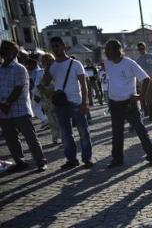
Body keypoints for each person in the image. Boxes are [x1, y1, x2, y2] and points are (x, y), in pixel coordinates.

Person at [40, 36, 93, 169]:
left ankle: (87, 159)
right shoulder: (52, 66)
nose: (55, 49)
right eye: (53, 47)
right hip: (60, 103)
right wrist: (47, 67)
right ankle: (71, 159)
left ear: (64, 46)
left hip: (76, 102)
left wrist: (85, 102)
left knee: (83, 132)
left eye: (57, 46)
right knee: (65, 134)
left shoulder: (75, 64)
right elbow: (45, 82)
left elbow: (84, 84)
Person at [103, 40, 152, 168]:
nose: (106, 52)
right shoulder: (107, 63)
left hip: (129, 103)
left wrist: (141, 96)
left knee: (140, 130)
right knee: (117, 133)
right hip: (114, 104)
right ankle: (117, 159)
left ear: (117, 50)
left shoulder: (129, 63)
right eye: (106, 49)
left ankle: (151, 156)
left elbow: (146, 79)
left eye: (109, 49)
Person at [0, 40, 47, 172]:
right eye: (2, 48)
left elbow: (19, 88)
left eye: (7, 49)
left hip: (19, 109)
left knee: (30, 137)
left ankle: (40, 161)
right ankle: (20, 161)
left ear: (14, 52)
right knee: (11, 139)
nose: (3, 51)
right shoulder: (0, 69)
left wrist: (7, 103)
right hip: (4, 112)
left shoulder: (19, 68)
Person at [34, 53, 60, 144]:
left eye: (49, 60)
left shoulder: (58, 69)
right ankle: (55, 136)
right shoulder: (40, 72)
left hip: (58, 96)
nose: (47, 62)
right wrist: (46, 92)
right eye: (45, 60)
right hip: (47, 98)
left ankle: (63, 135)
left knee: (60, 117)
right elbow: (38, 85)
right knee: (51, 119)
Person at [135, 42, 152, 114]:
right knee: (149, 99)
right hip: (146, 81)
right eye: (139, 49)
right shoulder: (138, 60)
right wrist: (139, 84)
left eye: (142, 48)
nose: (141, 50)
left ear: (145, 48)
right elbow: (139, 73)